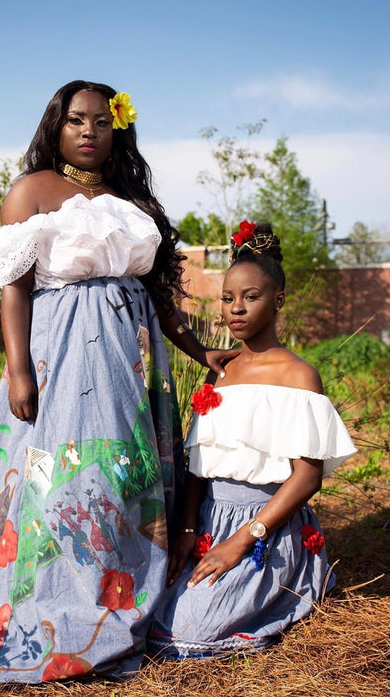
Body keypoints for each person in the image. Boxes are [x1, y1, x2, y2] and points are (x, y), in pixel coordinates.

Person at [0, 80, 237, 690]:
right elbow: (15, 288)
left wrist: (196, 347)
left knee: (126, 471)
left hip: (133, 357)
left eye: (102, 122)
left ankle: (123, 593)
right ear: (56, 126)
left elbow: (159, 297)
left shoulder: (131, 197)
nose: (89, 131)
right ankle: (62, 607)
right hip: (63, 353)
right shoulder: (30, 192)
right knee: (65, 472)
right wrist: (19, 368)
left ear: (118, 130)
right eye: (77, 120)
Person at [148, 221, 357, 659]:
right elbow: (199, 466)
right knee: (147, 615)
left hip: (264, 527)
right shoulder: (219, 373)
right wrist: (189, 529)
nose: (235, 309)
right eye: (227, 298)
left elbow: (306, 478)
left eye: (250, 297)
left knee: (191, 631)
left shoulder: (298, 376)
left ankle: (288, 585)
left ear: (278, 300)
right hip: (208, 520)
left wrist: (242, 540)